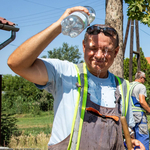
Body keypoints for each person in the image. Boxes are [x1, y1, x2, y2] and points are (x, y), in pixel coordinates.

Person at [7, 6, 145, 150]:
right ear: (84, 46)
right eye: (93, 48)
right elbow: (17, 64)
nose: (99, 55)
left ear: (116, 52)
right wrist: (59, 25)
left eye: (106, 50)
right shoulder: (66, 73)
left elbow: (126, 131)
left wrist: (131, 141)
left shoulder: (122, 86)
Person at [130, 71, 149, 150]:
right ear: (141, 78)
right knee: (143, 138)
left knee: (132, 140)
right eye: (144, 78)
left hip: (129, 115)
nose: (144, 81)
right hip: (139, 115)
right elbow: (142, 101)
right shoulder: (141, 86)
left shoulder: (128, 85)